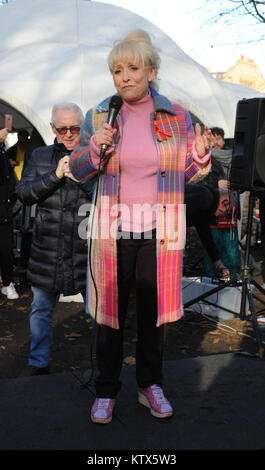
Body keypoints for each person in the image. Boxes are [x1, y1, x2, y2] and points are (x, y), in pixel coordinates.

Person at [68, 29, 212, 424]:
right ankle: (106, 390)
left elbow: (183, 173)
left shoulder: (176, 115)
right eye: (117, 70)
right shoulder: (100, 115)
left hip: (159, 233)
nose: (125, 76)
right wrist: (95, 146)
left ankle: (151, 385)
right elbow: (80, 171)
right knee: (110, 316)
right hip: (111, 232)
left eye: (133, 68)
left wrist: (198, 156)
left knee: (154, 313)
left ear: (151, 71)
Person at [16, 102, 94, 376]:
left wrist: (80, 176)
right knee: (40, 310)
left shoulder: (94, 156)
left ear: (82, 127)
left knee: (99, 313)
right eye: (63, 129)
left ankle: (105, 363)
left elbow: (106, 195)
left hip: (86, 251)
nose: (70, 134)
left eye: (75, 128)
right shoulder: (39, 156)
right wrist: (56, 175)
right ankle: (38, 363)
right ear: (53, 128)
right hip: (46, 251)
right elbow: (24, 193)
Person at [201, 126, 240, 279]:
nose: (216, 142)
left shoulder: (235, 158)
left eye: (219, 138)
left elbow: (242, 184)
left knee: (231, 252)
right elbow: (198, 183)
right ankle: (209, 283)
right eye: (213, 139)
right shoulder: (204, 158)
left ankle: (232, 284)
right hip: (211, 212)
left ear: (223, 139)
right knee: (212, 248)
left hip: (230, 214)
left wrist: (234, 185)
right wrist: (216, 184)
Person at [0, 128, 19, 299]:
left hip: (4, 212)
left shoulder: (4, 153)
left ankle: (7, 283)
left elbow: (9, 181)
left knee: (6, 250)